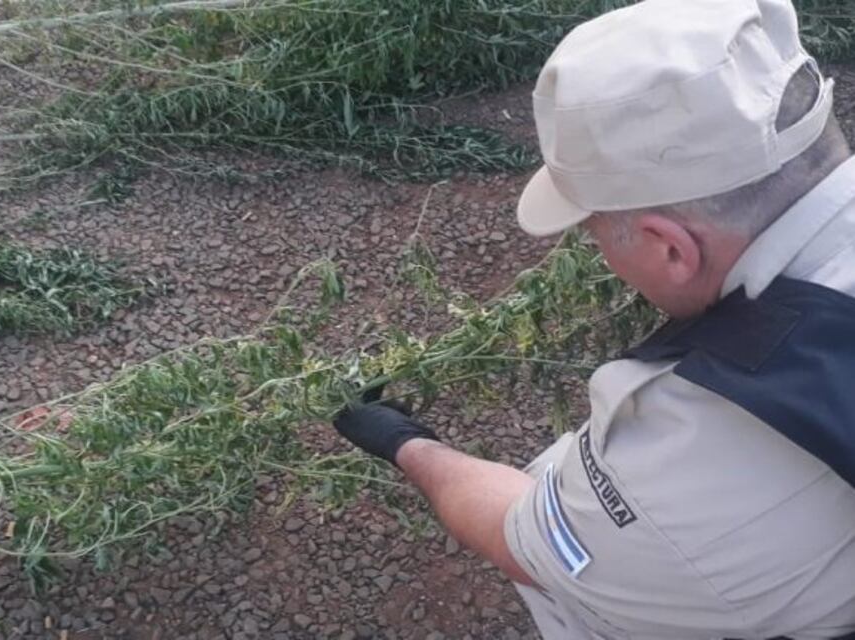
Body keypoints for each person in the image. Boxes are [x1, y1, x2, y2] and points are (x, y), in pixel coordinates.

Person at [332, 0, 855, 638]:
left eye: (593, 233)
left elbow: (521, 538)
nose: (597, 254)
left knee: (585, 595)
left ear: (671, 248)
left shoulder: (695, 464)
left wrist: (406, 443)